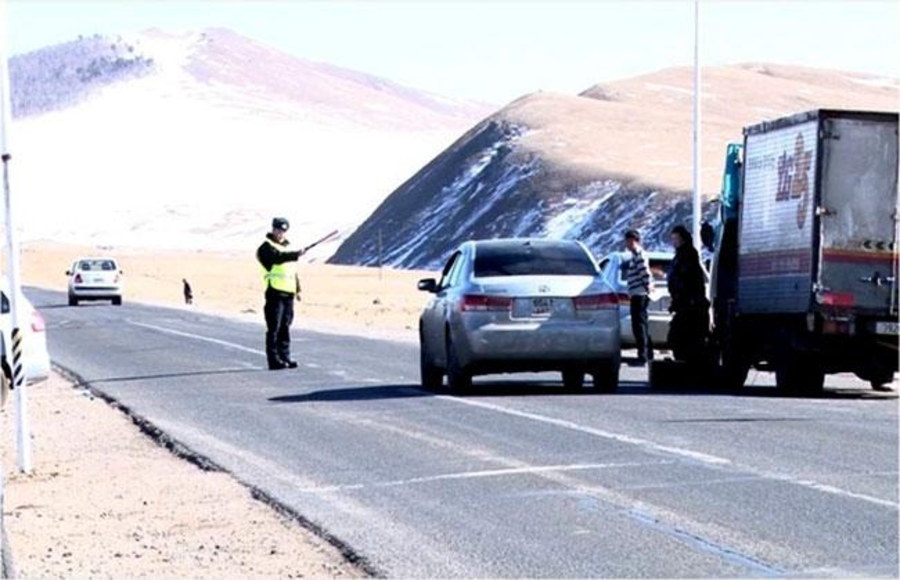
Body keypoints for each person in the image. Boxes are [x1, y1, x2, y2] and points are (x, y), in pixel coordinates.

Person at [257, 217, 305, 370]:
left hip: (288, 293)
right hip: (275, 292)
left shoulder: (287, 247)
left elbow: (292, 271)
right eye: (278, 229)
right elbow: (276, 258)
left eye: (283, 230)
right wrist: (294, 254)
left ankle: (285, 356)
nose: (280, 233)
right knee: (274, 327)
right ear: (273, 229)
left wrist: (297, 289)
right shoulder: (265, 247)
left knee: (285, 325)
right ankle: (274, 360)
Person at [667, 225, 710, 363]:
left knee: (687, 334)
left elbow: (688, 278)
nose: (674, 242)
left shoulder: (688, 254)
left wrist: (682, 294)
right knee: (680, 334)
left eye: (676, 238)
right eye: (673, 239)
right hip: (683, 301)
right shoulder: (680, 255)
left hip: (690, 302)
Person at [624, 229, 654, 365]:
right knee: (641, 324)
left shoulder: (639, 254)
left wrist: (648, 287)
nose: (627, 244)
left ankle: (643, 356)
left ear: (634, 241)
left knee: (639, 325)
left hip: (640, 294)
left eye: (629, 241)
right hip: (636, 293)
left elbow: (645, 272)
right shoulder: (634, 255)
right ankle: (648, 353)